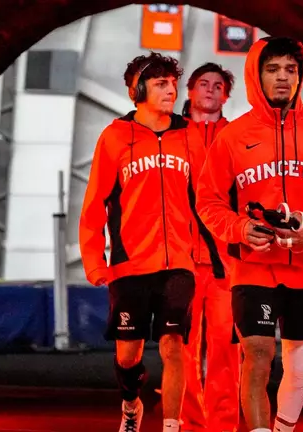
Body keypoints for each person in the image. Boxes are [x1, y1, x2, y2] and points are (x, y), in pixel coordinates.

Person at [195, 37, 303, 432]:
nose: (283, 78)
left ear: (300, 75)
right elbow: (208, 201)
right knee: (257, 353)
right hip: (253, 269)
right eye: (273, 70)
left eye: (291, 69)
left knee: (299, 367)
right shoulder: (232, 138)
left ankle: (282, 429)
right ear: (257, 75)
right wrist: (239, 228)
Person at [79, 52, 204, 432]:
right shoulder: (115, 137)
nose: (171, 89)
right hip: (129, 264)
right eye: (161, 83)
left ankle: (171, 424)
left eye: (172, 83)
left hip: (180, 262)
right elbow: (94, 203)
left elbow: (207, 200)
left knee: (173, 345)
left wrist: (209, 253)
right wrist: (94, 260)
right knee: (128, 355)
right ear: (138, 89)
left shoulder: (190, 136)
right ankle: (131, 403)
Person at [179, 63, 240, 432]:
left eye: (218, 86)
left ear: (226, 95)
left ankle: (223, 426)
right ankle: (187, 423)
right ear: (190, 90)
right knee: (181, 351)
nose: (211, 91)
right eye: (203, 84)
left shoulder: (237, 137)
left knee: (226, 351)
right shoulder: (169, 135)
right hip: (180, 260)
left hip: (226, 264)